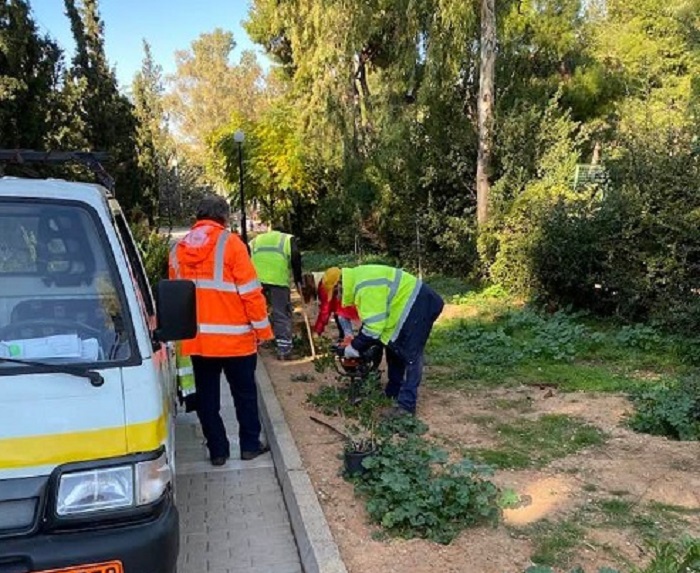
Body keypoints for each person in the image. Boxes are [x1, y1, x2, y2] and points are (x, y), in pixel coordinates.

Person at [169, 194, 274, 466]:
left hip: (199, 341)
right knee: (244, 395)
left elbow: (176, 296)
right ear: (224, 217)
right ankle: (250, 445)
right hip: (236, 340)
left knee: (207, 399)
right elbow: (251, 293)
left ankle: (218, 451)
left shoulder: (178, 250)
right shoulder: (232, 244)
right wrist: (263, 330)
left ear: (198, 216)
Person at [337, 264, 444, 417]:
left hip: (421, 303)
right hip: (404, 305)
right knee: (394, 347)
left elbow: (373, 328)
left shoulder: (363, 287)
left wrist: (354, 347)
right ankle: (392, 392)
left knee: (412, 355)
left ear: (338, 287)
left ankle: (406, 406)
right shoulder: (356, 279)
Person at [249, 229, 302, 360]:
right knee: (281, 314)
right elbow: (296, 257)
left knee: (257, 312)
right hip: (278, 281)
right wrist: (298, 279)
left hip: (256, 281)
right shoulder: (288, 239)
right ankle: (284, 349)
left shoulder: (256, 240)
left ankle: (255, 344)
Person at [313, 266, 359, 341]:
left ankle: (349, 339)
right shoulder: (328, 284)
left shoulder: (345, 283)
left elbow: (325, 311)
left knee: (341, 314)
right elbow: (326, 310)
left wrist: (317, 331)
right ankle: (346, 338)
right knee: (340, 314)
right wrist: (318, 331)